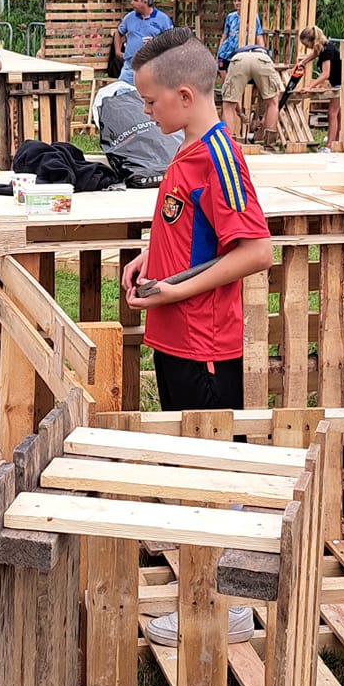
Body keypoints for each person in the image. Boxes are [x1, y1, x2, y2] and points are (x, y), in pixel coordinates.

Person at [122, 28, 274, 411]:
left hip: (203, 346)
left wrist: (178, 292)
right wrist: (150, 256)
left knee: (208, 456)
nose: (146, 111)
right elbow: (191, 229)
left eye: (151, 101)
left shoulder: (219, 158)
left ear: (185, 96)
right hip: (174, 334)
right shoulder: (187, 148)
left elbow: (257, 251)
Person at [217, 11, 283, 147]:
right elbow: (261, 41)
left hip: (239, 58)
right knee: (273, 103)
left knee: (228, 105)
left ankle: (228, 145)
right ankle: (269, 142)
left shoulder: (225, 55)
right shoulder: (237, 18)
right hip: (261, 57)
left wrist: (240, 113)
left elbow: (229, 96)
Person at [114, 0, 173, 85]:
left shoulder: (163, 19)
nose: (132, 3)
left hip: (151, 69)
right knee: (121, 96)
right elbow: (119, 33)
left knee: (146, 98)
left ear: (145, 2)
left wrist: (155, 42)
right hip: (129, 68)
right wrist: (117, 51)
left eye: (135, 0)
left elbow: (171, 41)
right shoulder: (129, 17)